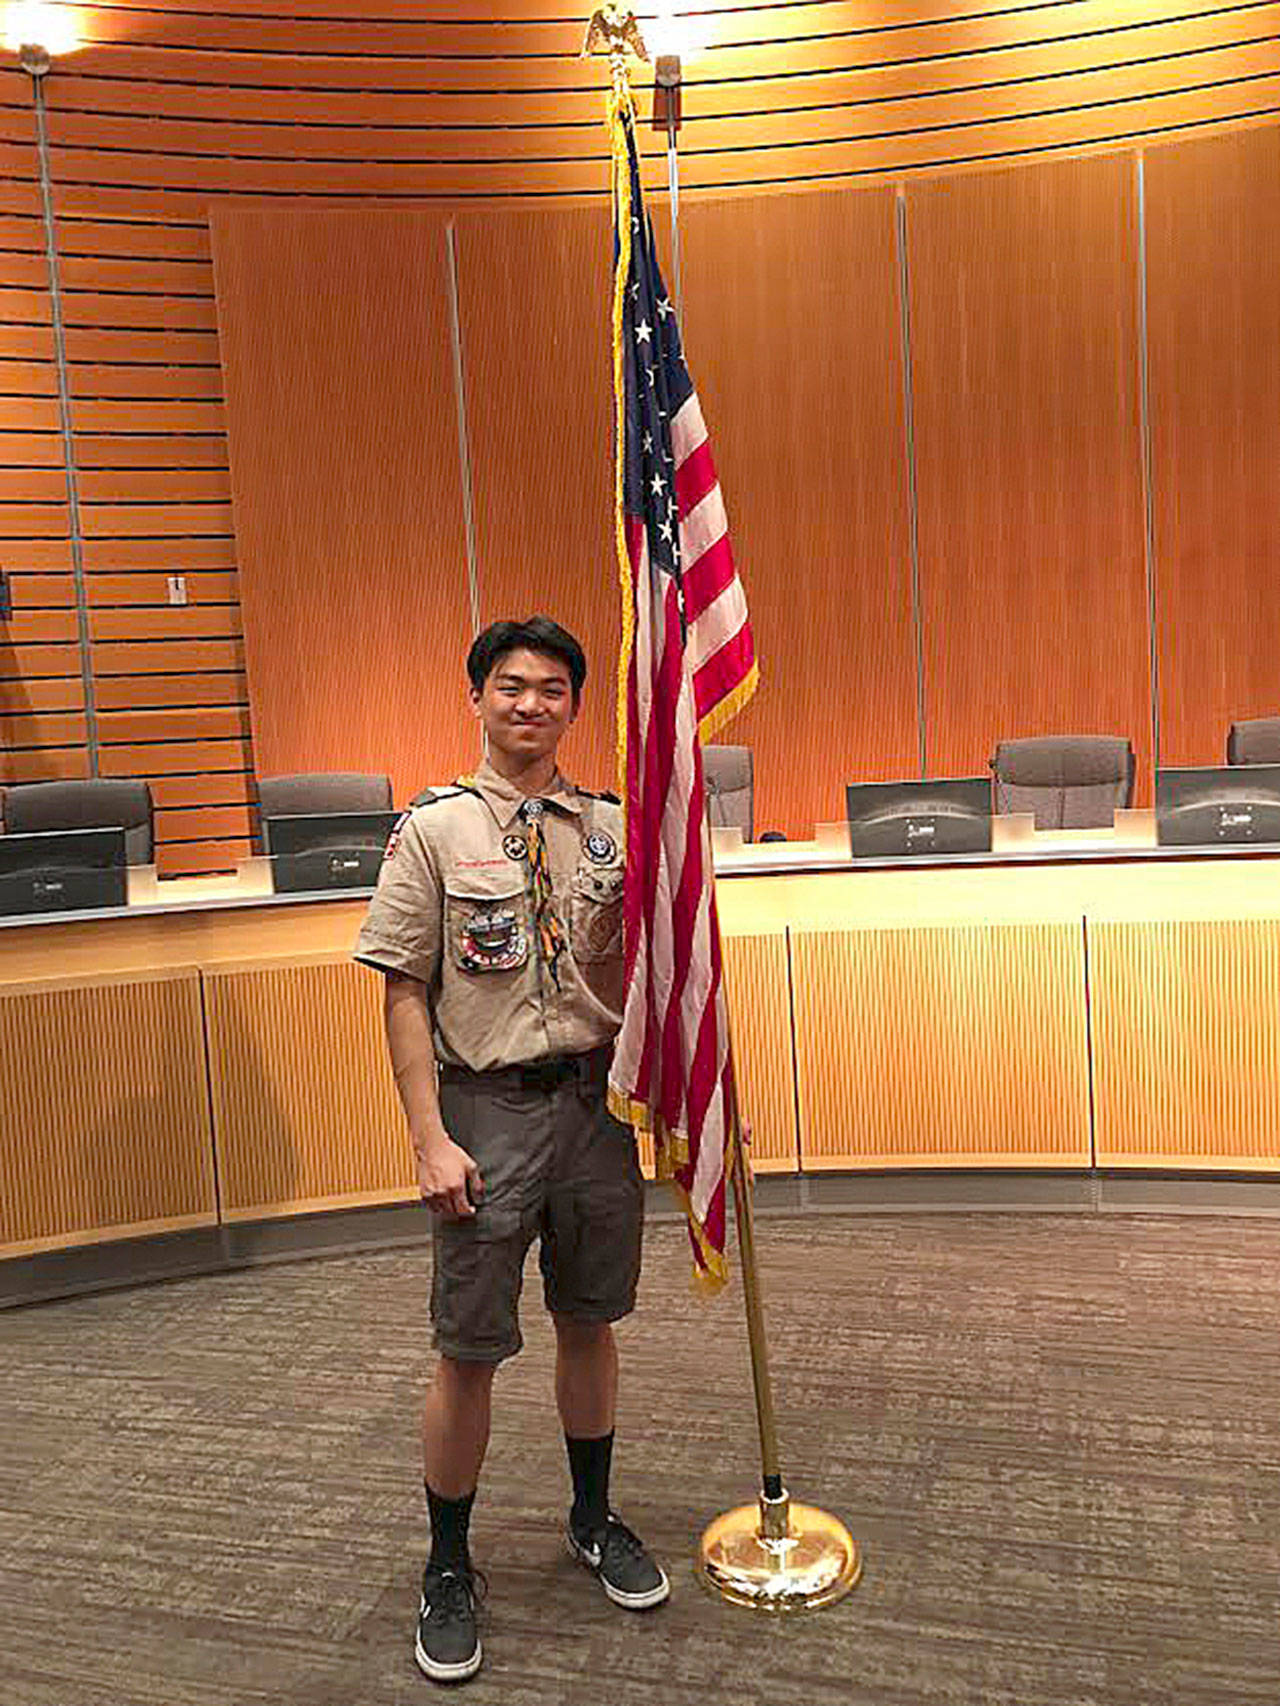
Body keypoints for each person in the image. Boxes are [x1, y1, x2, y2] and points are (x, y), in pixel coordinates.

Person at [354, 615, 668, 1685]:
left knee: (589, 1322)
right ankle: (448, 1564)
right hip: (482, 1116)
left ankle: (591, 1516)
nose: (529, 704)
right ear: (476, 698)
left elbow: (654, 975)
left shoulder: (612, 831)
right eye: (508, 686)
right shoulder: (432, 830)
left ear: (573, 706)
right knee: (469, 1347)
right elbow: (402, 986)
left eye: (549, 689)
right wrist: (426, 1135)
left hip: (591, 1112)